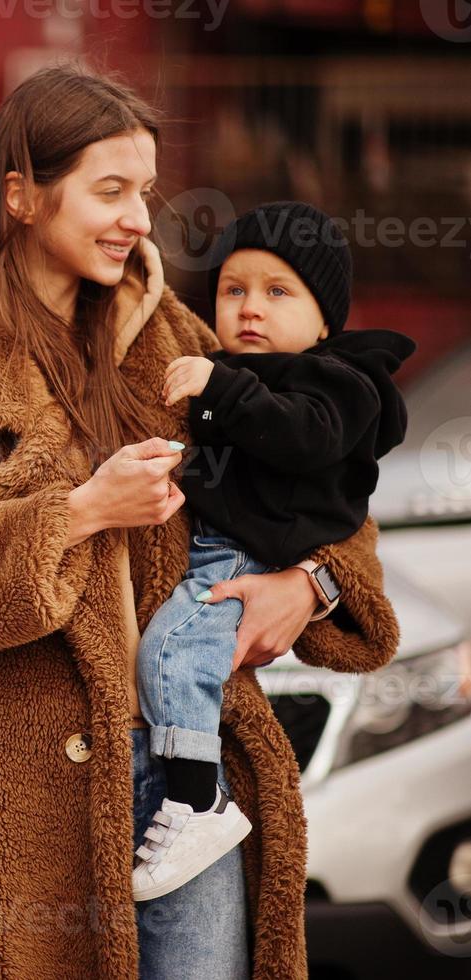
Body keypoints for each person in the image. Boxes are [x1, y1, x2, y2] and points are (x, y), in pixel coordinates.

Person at [0, 65, 402, 979]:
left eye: (145, 192)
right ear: (20, 195)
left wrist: (310, 585)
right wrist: (78, 513)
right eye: (110, 191)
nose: (139, 217)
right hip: (5, 799)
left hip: (185, 793)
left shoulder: (184, 342)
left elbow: (328, 481)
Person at [131, 200, 417, 901]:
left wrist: (218, 386)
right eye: (233, 290)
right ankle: (191, 795)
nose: (249, 308)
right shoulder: (229, 372)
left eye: (276, 291)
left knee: (174, 651)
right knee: (174, 651)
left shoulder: (333, 381)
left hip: (245, 556)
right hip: (219, 545)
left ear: (324, 321)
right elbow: (225, 463)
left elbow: (300, 438)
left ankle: (197, 802)